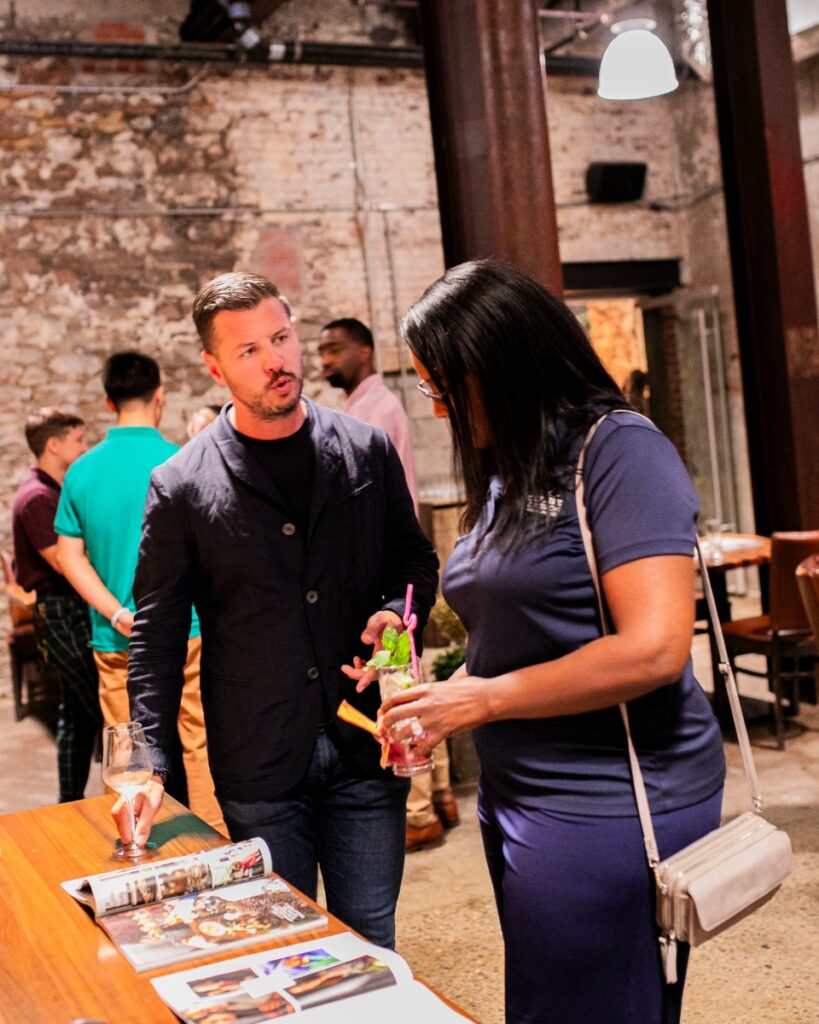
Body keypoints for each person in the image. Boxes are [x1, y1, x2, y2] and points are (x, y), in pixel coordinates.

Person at [370, 259, 726, 1023]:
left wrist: (485, 697)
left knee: (589, 1007)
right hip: (523, 785)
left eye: (443, 387)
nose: (437, 410)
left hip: (610, 797)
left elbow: (655, 648)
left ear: (504, 366)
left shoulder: (621, 451)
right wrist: (423, 668)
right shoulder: (511, 465)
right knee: (552, 1002)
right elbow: (525, 619)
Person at [120, 272, 438, 948]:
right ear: (213, 367)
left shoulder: (365, 449)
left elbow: (413, 564)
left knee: (370, 937)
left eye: (282, 338)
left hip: (365, 746)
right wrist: (149, 759)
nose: (276, 361)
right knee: (284, 947)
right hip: (258, 757)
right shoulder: (179, 485)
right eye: (248, 351)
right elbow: (157, 633)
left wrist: (393, 616)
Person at [55, 352, 224, 833]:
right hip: (189, 628)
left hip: (116, 640)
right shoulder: (181, 459)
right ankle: (219, 846)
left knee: (128, 752)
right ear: (160, 396)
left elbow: (70, 557)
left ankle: (135, 844)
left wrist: (115, 613)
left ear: (108, 402)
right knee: (201, 742)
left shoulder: (81, 473)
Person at [319, 316, 459, 852]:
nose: (326, 360)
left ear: (365, 351)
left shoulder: (376, 413)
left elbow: (387, 515)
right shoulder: (359, 408)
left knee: (400, 688)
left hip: (389, 585)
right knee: (411, 677)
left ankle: (420, 811)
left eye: (335, 350)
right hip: (386, 585)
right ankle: (439, 796)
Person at [11, 408, 102, 802]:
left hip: (67, 608)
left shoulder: (50, 491)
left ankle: (71, 801)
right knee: (98, 705)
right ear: (53, 444)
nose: (84, 447)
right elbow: (65, 562)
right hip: (63, 610)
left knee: (77, 715)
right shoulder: (38, 498)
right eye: (78, 440)